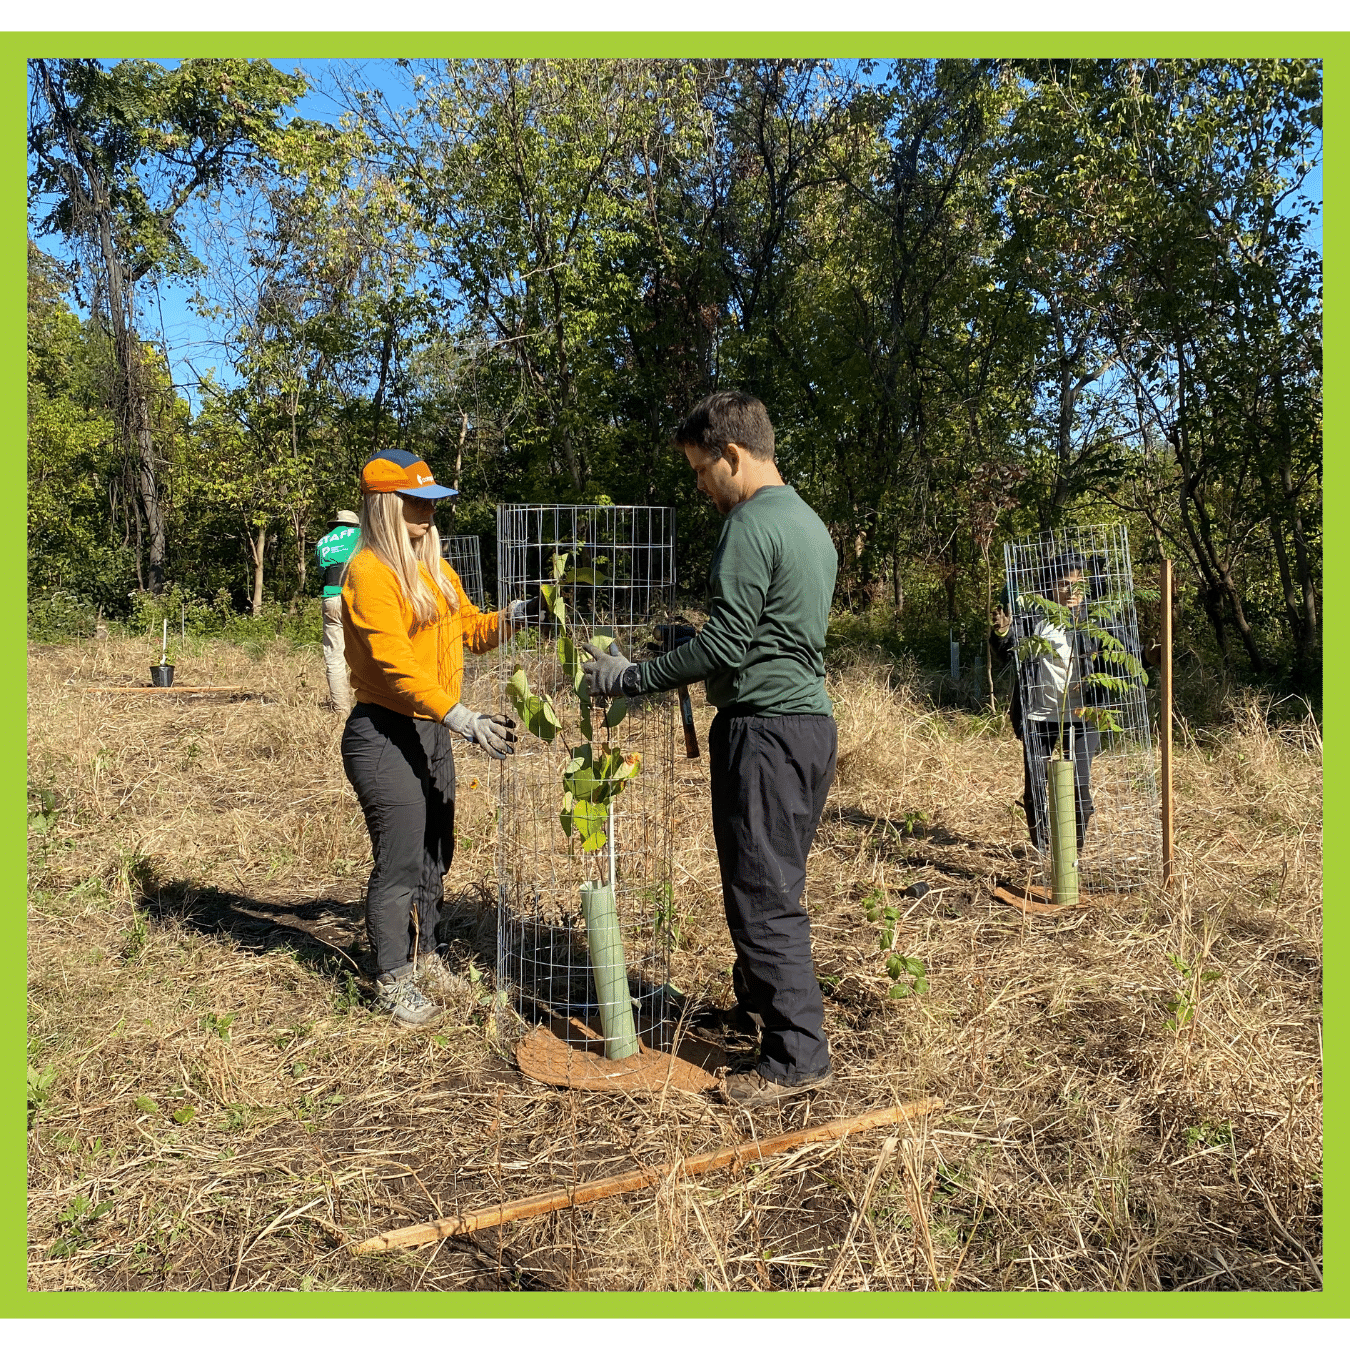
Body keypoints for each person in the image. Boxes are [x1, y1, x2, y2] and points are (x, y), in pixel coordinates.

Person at [581, 391, 838, 1108]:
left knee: (763, 897)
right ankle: (759, 1012)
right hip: (807, 727)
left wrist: (633, 676)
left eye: (701, 470)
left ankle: (797, 1056)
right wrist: (693, 643)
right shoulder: (806, 522)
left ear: (732, 455)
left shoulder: (750, 524)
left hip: (765, 731)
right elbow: (764, 636)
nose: (700, 487)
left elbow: (731, 644)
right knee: (767, 883)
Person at [341, 448, 536, 1026]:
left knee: (435, 852)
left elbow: (470, 631)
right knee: (400, 860)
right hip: (383, 733)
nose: (426, 517)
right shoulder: (369, 574)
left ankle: (424, 954)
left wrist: (516, 617)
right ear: (383, 506)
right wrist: (462, 717)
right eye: (414, 505)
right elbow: (397, 668)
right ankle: (393, 977)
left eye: (431, 505)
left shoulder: (435, 571)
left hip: (432, 729)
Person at [990, 553, 1102, 856]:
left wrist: (1149, 655)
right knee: (1037, 788)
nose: (1071, 592)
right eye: (1063, 584)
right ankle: (1042, 850)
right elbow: (1007, 651)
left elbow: (1121, 655)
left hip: (1082, 717)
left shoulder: (1095, 619)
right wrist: (1002, 631)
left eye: (1078, 585)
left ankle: (1071, 851)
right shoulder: (1033, 619)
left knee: (1080, 790)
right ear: (1049, 586)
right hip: (1039, 716)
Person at [316, 509, 361, 712]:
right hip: (357, 596)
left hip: (331, 597)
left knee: (334, 657)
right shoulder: (361, 536)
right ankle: (370, 703)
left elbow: (321, 572)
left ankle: (341, 710)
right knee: (368, 650)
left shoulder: (322, 542)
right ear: (354, 524)